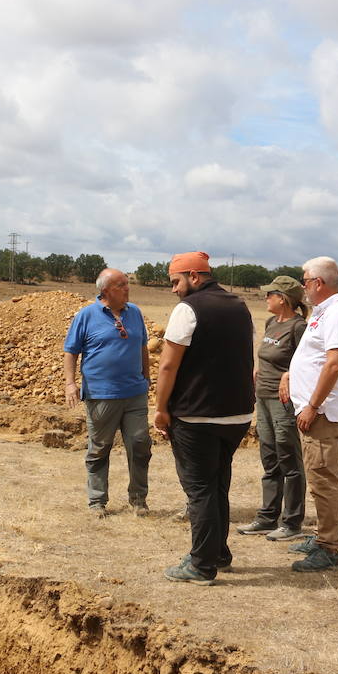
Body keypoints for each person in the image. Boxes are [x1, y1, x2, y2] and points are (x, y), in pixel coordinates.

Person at [153, 251, 254, 586]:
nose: (173, 290)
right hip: (236, 415)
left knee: (199, 490)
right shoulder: (239, 305)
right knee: (217, 485)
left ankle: (201, 565)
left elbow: (168, 364)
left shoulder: (189, 309)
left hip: (197, 416)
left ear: (194, 276)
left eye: (175, 281)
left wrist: (161, 408)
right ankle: (218, 553)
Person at [284, 256, 338, 572]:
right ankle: (321, 537)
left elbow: (334, 363)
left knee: (324, 479)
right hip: (313, 411)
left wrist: (313, 405)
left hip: (322, 413)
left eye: (304, 280)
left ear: (318, 283)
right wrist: (290, 375)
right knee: (317, 478)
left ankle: (328, 548)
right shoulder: (323, 312)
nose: (302, 287)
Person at [63, 268, 152, 517]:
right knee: (100, 447)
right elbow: (71, 351)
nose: (127, 288)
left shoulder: (134, 313)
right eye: (121, 285)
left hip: (135, 393)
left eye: (127, 283)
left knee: (140, 444)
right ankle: (97, 501)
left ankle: (138, 499)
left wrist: (146, 376)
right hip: (101, 394)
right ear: (105, 291)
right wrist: (70, 384)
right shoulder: (86, 315)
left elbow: (142, 346)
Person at [237, 274, 308, 541]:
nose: (265, 297)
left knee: (288, 459)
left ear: (283, 299)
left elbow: (307, 364)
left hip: (284, 402)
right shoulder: (270, 322)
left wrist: (288, 376)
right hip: (263, 398)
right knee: (269, 459)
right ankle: (267, 518)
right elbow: (266, 356)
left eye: (270, 294)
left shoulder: (298, 327)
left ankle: (292, 523)